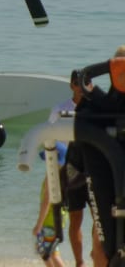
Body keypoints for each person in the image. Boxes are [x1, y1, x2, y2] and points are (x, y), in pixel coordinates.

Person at [74, 45, 125, 267]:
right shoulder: (97, 109)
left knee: (102, 242)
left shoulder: (98, 107)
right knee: (101, 243)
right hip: (104, 181)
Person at [48, 70, 89, 267]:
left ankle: (98, 253)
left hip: (95, 168)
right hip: (71, 168)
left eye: (86, 84)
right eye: (79, 84)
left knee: (103, 217)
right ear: (72, 85)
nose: (82, 88)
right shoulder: (60, 109)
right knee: (75, 218)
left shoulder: (96, 108)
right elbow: (49, 139)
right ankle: (79, 262)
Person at [33, 142, 68, 267]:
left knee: (46, 251)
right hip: (60, 216)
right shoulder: (64, 175)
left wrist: (39, 224)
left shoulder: (52, 176)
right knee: (50, 251)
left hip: (50, 219)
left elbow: (47, 199)